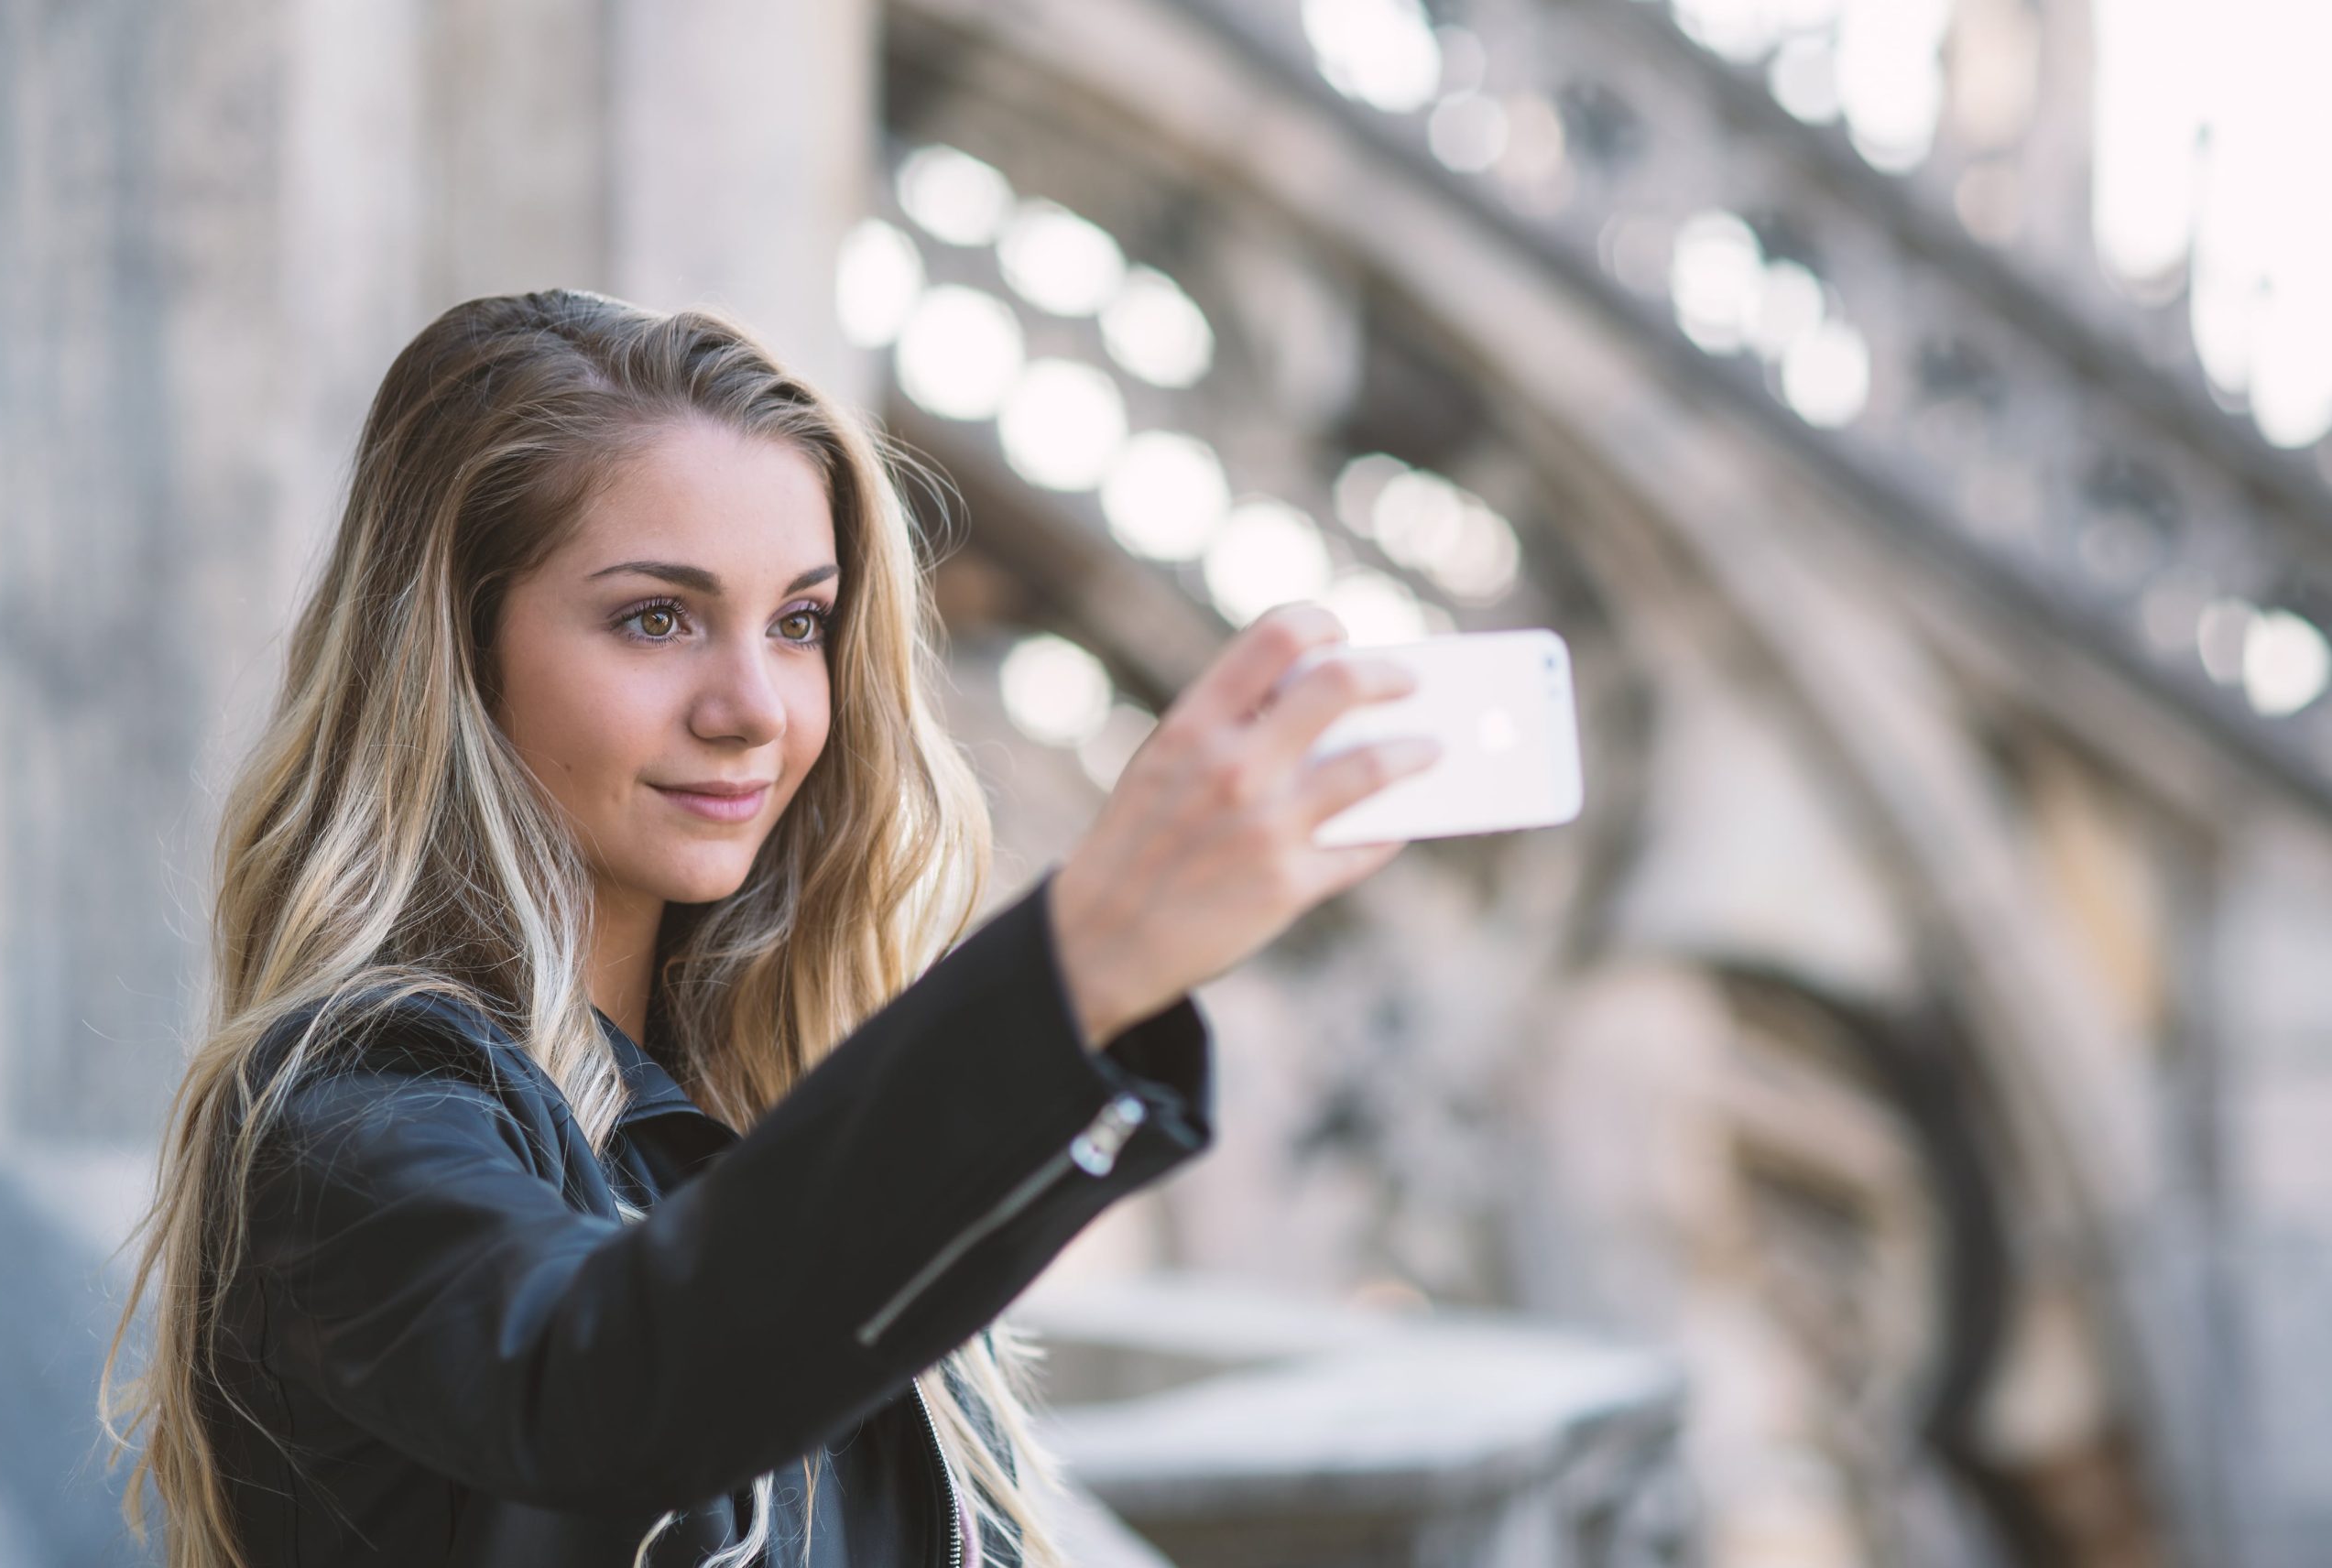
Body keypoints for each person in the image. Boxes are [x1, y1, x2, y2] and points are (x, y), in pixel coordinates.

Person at [98, 289, 1441, 1568]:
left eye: (801, 621)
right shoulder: (351, 1116)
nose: (754, 705)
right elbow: (610, 1381)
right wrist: (1082, 963)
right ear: (457, 649)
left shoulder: (745, 1113)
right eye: (656, 618)